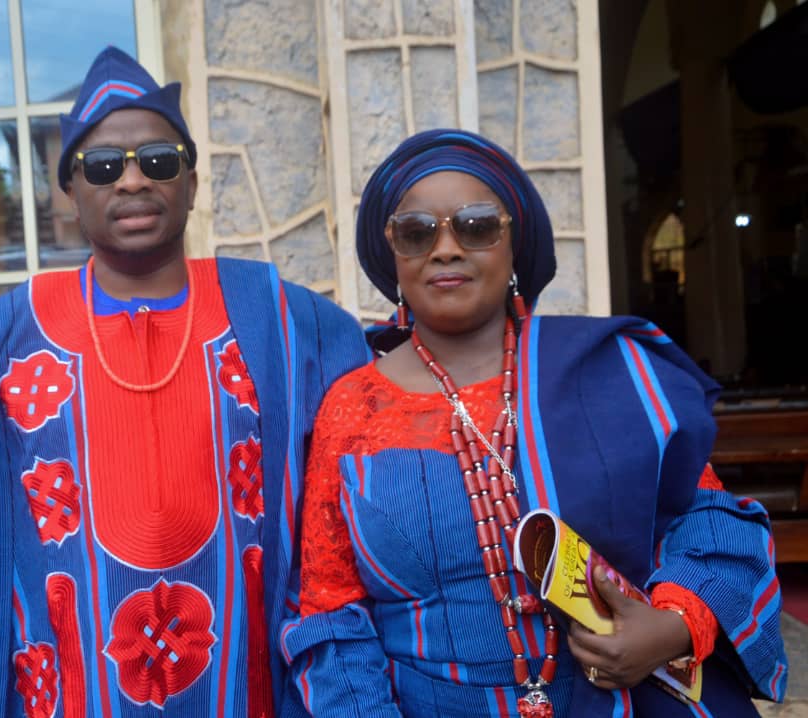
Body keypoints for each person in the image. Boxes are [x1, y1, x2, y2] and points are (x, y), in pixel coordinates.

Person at [0, 46, 368, 717]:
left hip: (248, 692)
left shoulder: (289, 326)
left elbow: (359, 517)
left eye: (160, 161)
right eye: (105, 166)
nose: (133, 181)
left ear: (193, 183)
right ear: (70, 193)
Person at [281, 129, 787, 716]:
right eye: (417, 232)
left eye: (475, 226)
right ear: (391, 254)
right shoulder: (352, 406)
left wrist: (669, 628)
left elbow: (714, 526)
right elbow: (330, 609)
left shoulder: (599, 376)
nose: (445, 248)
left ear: (513, 247)